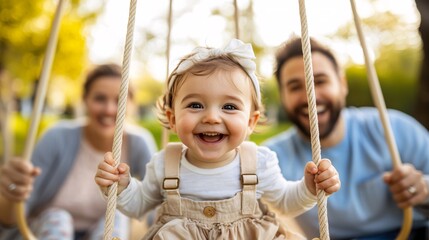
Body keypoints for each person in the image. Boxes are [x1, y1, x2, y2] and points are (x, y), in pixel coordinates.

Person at [95, 39, 341, 240]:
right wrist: (121, 186)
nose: (212, 117)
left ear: (250, 122)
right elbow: (138, 205)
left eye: (229, 107)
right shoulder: (165, 163)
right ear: (172, 118)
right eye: (195, 105)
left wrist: (309, 188)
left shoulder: (258, 162)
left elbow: (286, 202)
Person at [263, 36, 429, 239]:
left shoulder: (394, 128)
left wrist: (424, 190)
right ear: (283, 96)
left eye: (320, 81)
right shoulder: (269, 159)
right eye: (295, 87)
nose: (311, 97)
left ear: (342, 84)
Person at [0, 63, 157, 240]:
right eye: (100, 98)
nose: (109, 109)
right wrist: (11, 193)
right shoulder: (57, 137)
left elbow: (155, 206)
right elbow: (14, 217)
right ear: (85, 99)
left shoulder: (139, 142)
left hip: (99, 232)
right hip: (48, 231)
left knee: (116, 217)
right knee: (58, 218)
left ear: (132, 105)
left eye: (119, 101)